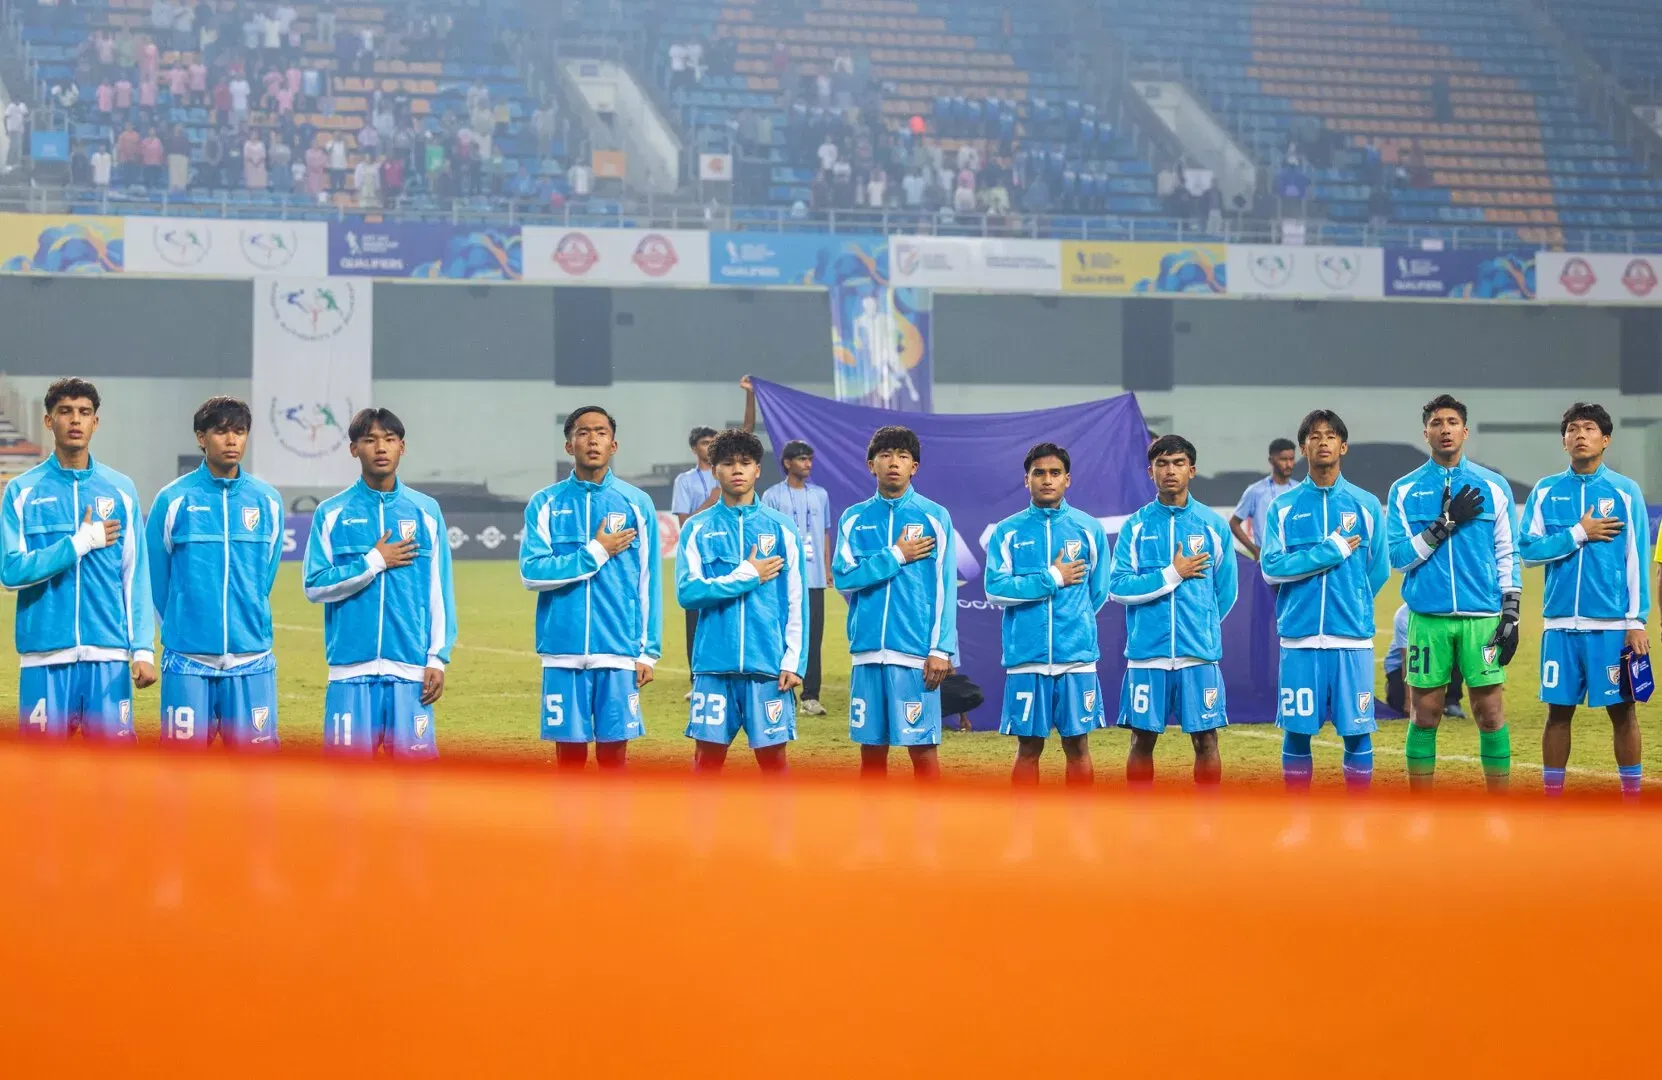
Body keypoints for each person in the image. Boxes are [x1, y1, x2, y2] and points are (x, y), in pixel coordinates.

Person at [1, 378, 156, 739]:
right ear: (48, 420)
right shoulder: (22, 491)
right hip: (44, 657)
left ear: (95, 422)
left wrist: (143, 650)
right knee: (42, 769)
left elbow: (135, 574)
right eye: (65, 411)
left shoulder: (121, 490)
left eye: (84, 412)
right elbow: (10, 571)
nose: (75, 419)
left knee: (114, 768)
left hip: (108, 657)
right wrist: (78, 543)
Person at [303, 409, 456, 758]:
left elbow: (439, 590)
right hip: (349, 670)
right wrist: (373, 562)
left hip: (410, 670)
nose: (381, 448)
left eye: (389, 439)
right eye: (370, 440)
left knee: (413, 782)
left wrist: (437, 658)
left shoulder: (426, 511)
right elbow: (314, 585)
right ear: (353, 449)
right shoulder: (331, 513)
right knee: (348, 782)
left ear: (403, 446)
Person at [1386, 394, 1520, 794]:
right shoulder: (1404, 489)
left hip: (1483, 619)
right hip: (1428, 620)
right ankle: (1421, 806)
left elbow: (1507, 552)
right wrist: (1443, 524)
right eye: (1436, 423)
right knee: (1424, 714)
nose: (1444, 429)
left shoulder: (1493, 486)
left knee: (1490, 712)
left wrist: (1511, 612)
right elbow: (1399, 557)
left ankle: (1499, 805)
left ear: (1465, 430)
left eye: (1452, 422)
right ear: (1425, 432)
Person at [519, 406, 662, 770]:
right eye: (583, 432)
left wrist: (648, 652)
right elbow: (532, 573)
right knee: (569, 760)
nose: (592, 439)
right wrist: (596, 551)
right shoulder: (545, 503)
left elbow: (649, 580)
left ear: (614, 445)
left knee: (614, 758)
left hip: (618, 651)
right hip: (562, 652)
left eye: (601, 432)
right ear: (569, 446)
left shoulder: (637, 503)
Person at [1520, 402, 1649, 799]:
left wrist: (1636, 621)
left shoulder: (1625, 491)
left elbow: (1636, 559)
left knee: (1623, 712)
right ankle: (1552, 798)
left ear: (1605, 439)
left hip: (1612, 625)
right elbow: (1528, 551)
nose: (1580, 434)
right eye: (1572, 429)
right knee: (1558, 713)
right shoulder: (1546, 490)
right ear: (1563, 441)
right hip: (1560, 625)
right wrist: (1578, 533)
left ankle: (1631, 799)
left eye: (1589, 428)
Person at [1259, 410, 1389, 792]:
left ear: (1343, 446)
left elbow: (1378, 569)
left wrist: (1352, 600)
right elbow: (1271, 567)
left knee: (1357, 732)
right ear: (1304, 448)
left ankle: (1356, 817)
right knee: (1297, 733)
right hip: (1300, 640)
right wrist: (1329, 551)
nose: (1323, 442)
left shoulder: (1366, 505)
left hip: (1352, 639)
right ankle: (1299, 817)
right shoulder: (1283, 507)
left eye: (1330, 435)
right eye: (1314, 436)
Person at [146, 398, 284, 748]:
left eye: (240, 431)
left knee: (256, 773)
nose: (232, 440)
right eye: (221, 432)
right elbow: (155, 579)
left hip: (252, 659)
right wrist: (181, 630)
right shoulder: (173, 499)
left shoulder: (267, 501)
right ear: (201, 437)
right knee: (182, 772)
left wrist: (248, 620)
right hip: (188, 660)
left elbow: (264, 577)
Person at [676, 429, 808, 773]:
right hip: (713, 667)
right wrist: (747, 575)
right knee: (707, 761)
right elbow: (688, 593)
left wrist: (794, 661)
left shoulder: (781, 529)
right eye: (728, 463)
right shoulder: (696, 528)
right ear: (714, 470)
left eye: (745, 463)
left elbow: (797, 600)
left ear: (757, 470)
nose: (737, 469)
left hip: (768, 666)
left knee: (773, 763)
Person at [832, 426, 960, 780]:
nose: (893, 463)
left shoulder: (934, 516)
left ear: (914, 467)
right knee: (871, 753)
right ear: (870, 464)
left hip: (915, 653)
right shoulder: (854, 518)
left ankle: (929, 817)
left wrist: (941, 649)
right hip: (868, 653)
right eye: (885, 455)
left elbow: (945, 587)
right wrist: (896, 555)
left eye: (902, 456)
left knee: (923, 750)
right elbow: (843, 578)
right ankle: (873, 817)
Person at [1110, 435, 1237, 786]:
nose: (1170, 471)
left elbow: (1226, 591)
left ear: (1191, 470)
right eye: (1162, 464)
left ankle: (1207, 814)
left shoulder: (1213, 525)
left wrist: (1201, 625)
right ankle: (1140, 814)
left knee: (1207, 740)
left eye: (1178, 463)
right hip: (1147, 655)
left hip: (1198, 654)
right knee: (1142, 740)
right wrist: (1171, 574)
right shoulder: (1136, 526)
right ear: (1150, 471)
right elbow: (1118, 586)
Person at [984, 443, 1111, 785]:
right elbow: (995, 589)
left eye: (1055, 473)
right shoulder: (1008, 531)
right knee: (1028, 748)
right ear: (1027, 480)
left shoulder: (1088, 529)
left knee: (1078, 746)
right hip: (1027, 658)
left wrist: (1075, 621)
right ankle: (1025, 817)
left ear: (1067, 479)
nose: (1047, 479)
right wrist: (1052, 578)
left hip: (1076, 659)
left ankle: (1079, 816)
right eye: (1038, 473)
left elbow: (1097, 592)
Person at [760, 435, 831, 717]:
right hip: (783, 579)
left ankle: (811, 697)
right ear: (788, 463)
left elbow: (825, 533)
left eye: (810, 459)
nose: (808, 464)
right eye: (802, 459)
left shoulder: (820, 495)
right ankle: (778, 689)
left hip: (814, 580)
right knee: (780, 636)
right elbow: (767, 537)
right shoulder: (772, 496)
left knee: (813, 639)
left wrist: (826, 568)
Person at [673, 426, 720, 692]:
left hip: (723, 556)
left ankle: (721, 674)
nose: (710, 446)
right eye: (704, 442)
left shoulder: (726, 473)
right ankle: (696, 679)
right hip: (697, 559)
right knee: (695, 621)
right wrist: (710, 502)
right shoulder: (685, 481)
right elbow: (684, 526)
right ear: (694, 448)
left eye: (713, 441)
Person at [1384, 603, 1466, 718]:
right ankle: (1393, 687)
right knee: (1400, 705)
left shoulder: (1447, 609)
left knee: (1457, 651)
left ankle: (1451, 702)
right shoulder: (1404, 616)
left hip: (1435, 657)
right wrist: (1408, 700)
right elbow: (1407, 659)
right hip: (1402, 665)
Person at [1230, 437, 1297, 559]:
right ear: (1271, 460)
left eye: (1291, 459)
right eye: (1283, 459)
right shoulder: (1255, 491)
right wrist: (1255, 550)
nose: (1289, 464)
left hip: (1294, 559)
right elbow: (1234, 523)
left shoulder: (1300, 490)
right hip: (1268, 561)